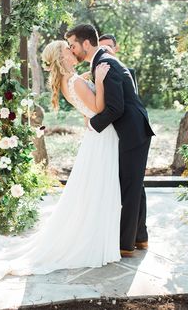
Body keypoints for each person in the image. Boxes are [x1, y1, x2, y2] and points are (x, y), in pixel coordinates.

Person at [0, 40, 121, 283]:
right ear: (62, 57)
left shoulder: (69, 80)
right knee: (99, 189)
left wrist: (89, 81)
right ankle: (96, 241)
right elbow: (99, 108)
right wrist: (100, 81)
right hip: (101, 138)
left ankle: (99, 237)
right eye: (67, 49)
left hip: (97, 136)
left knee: (96, 189)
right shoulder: (75, 82)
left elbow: (85, 107)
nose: (73, 50)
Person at [66, 24, 155, 257]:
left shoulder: (106, 64)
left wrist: (92, 126)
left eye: (73, 45)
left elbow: (115, 108)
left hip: (132, 131)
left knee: (129, 186)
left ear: (86, 43)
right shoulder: (101, 62)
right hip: (131, 129)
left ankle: (125, 245)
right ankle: (140, 237)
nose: (72, 50)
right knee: (134, 184)